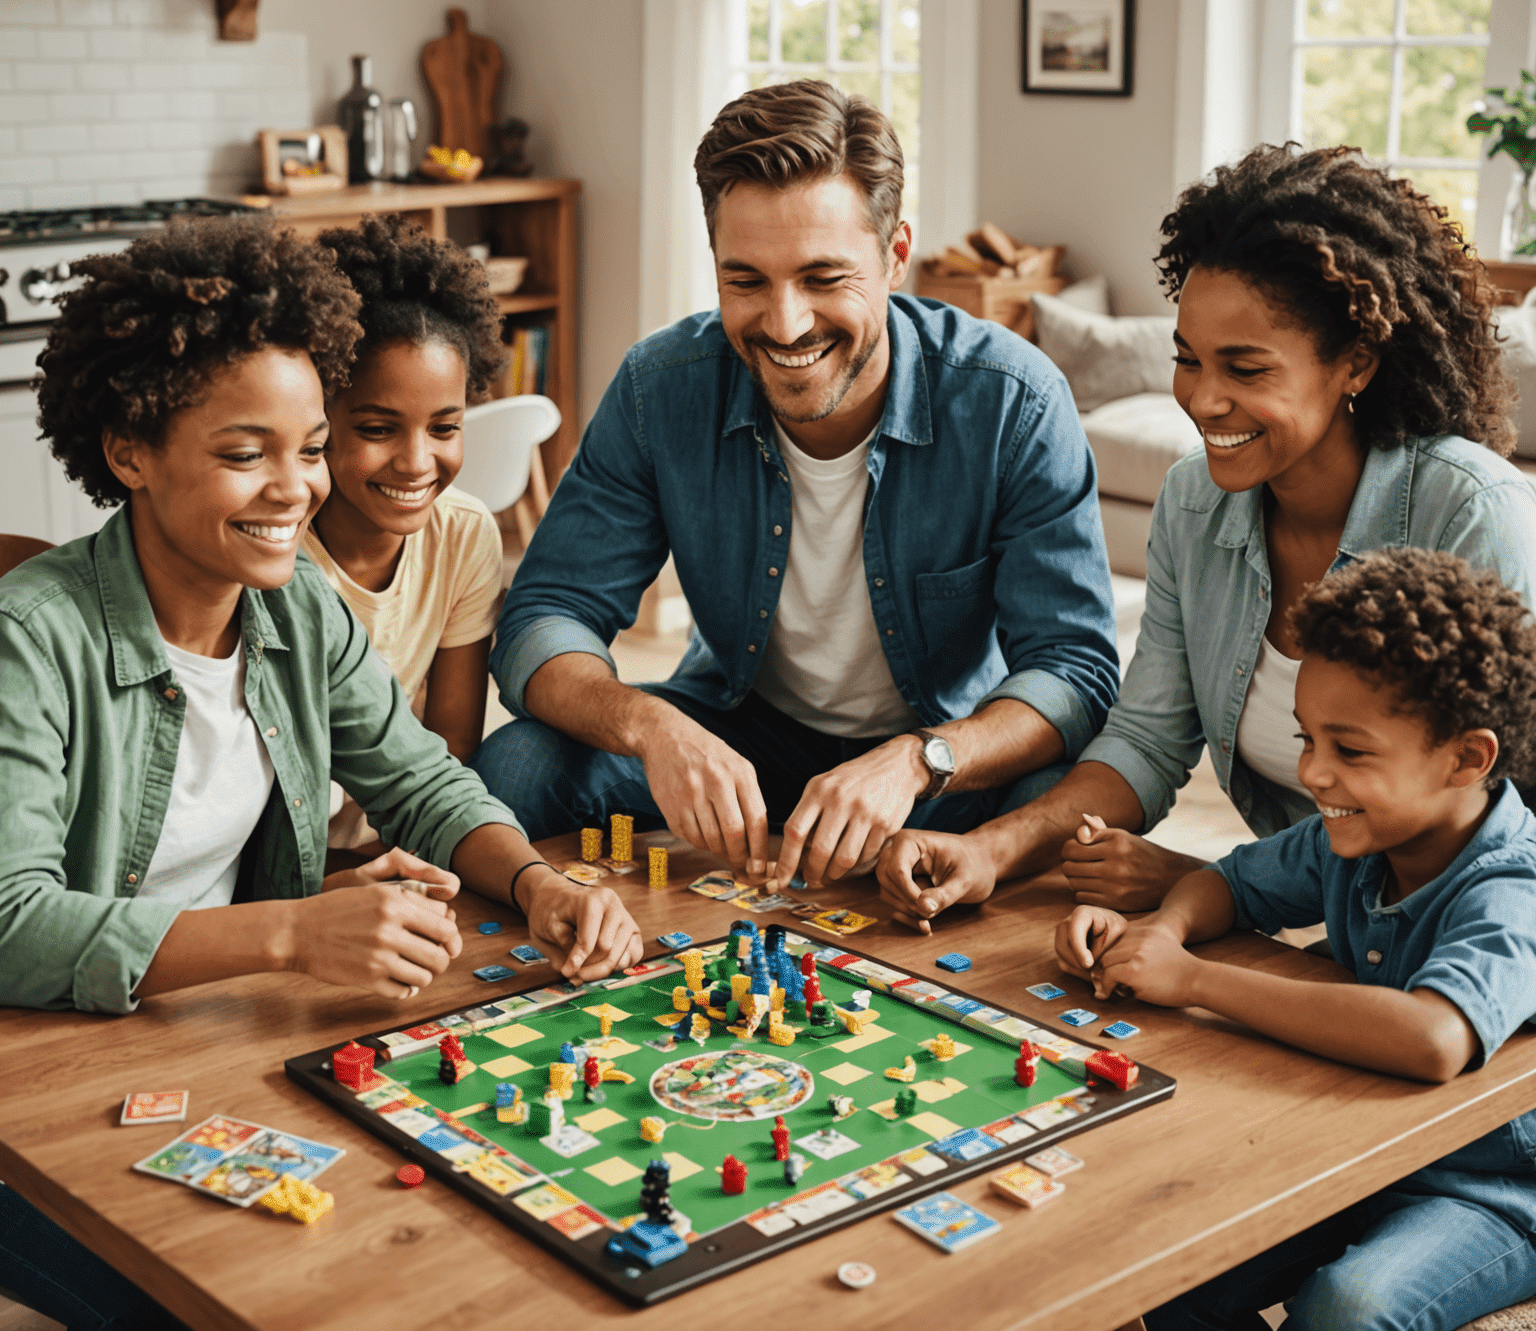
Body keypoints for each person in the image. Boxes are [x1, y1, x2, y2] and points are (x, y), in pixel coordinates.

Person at [0, 216, 642, 1329]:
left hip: (211, 1039)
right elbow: (10, 922)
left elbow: (425, 783)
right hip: (34, 1097)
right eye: (246, 453)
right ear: (131, 451)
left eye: (307, 448)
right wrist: (293, 931)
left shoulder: (293, 608)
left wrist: (540, 886)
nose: (295, 488)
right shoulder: (30, 638)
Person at [470, 79, 1119, 887]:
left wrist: (922, 759)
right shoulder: (661, 387)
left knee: (1069, 800)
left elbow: (1073, 670)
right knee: (518, 764)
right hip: (745, 736)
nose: (785, 325)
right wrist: (651, 726)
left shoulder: (1012, 401)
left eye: (822, 278)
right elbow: (544, 617)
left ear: (894, 255)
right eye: (746, 281)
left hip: (938, 761)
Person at [878, 144, 1536, 928]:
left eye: (1246, 370)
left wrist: (1216, 884)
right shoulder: (1195, 502)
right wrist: (993, 848)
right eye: (1188, 360)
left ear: (1355, 363)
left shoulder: (1469, 509)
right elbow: (1148, 738)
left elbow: (1496, 819)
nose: (1203, 399)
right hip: (1328, 925)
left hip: (1463, 942)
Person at [1056, 549, 1536, 1329]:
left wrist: (1194, 980)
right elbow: (1232, 883)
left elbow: (1434, 1038)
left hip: (1493, 1188)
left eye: (1349, 751)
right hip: (1361, 1142)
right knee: (1173, 1260)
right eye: (1306, 739)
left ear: (1465, 758)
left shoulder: (1516, 886)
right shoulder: (1357, 832)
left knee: (1346, 1308)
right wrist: (1158, 929)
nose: (1313, 773)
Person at [303, 215, 507, 850]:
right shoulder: (274, 550)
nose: (418, 463)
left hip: (403, 840)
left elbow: (453, 745)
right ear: (320, 419)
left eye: (444, 428)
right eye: (378, 428)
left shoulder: (464, 535)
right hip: (283, 865)